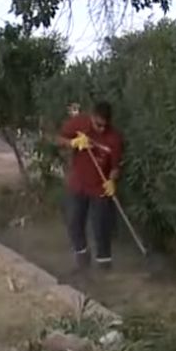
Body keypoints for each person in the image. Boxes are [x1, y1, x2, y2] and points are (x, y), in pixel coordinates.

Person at [57, 101, 124, 272]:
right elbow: (58, 139)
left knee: (101, 228)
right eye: (98, 125)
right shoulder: (80, 123)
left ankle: (104, 266)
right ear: (92, 117)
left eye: (104, 126)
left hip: (99, 187)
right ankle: (82, 259)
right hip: (78, 184)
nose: (101, 129)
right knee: (74, 222)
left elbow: (115, 168)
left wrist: (112, 181)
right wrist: (73, 143)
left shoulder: (114, 138)